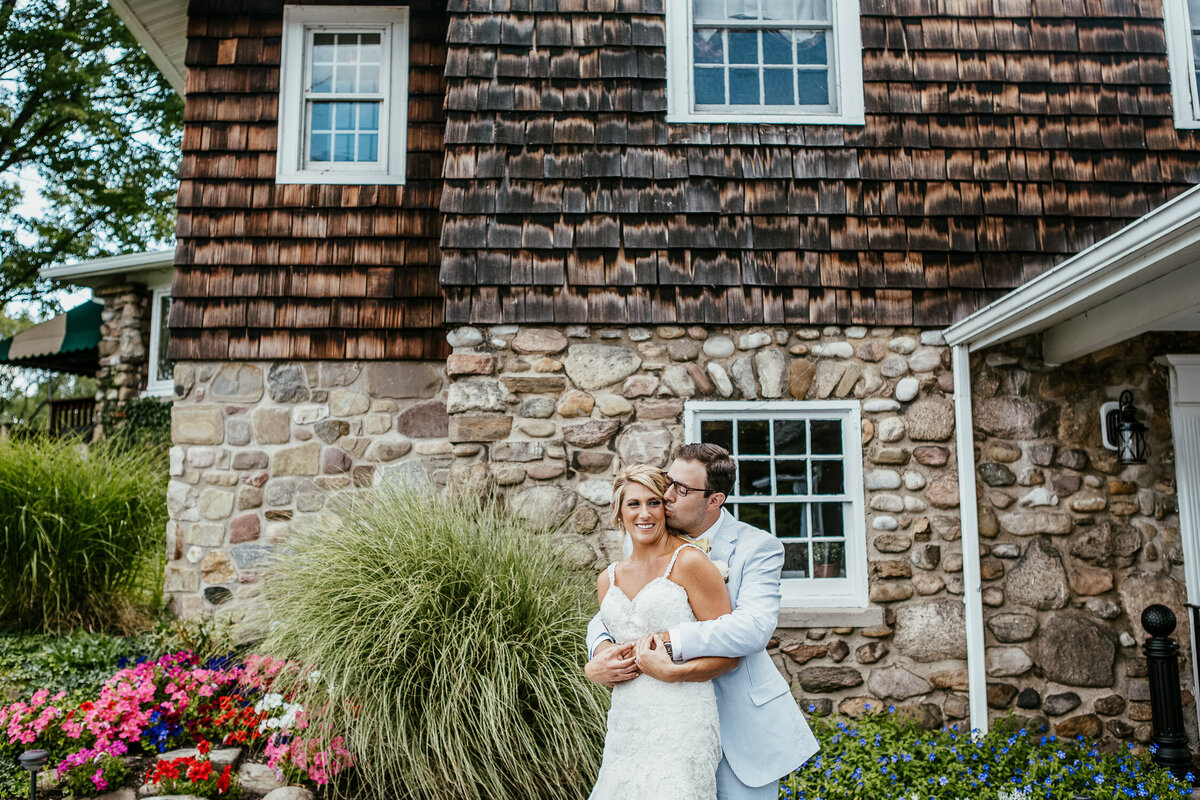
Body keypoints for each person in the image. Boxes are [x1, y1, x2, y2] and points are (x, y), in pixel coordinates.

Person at [585, 443, 820, 800]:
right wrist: (599, 655)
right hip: (658, 722)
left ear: (714, 500)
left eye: (681, 489)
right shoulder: (646, 543)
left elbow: (752, 629)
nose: (665, 495)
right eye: (668, 482)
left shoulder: (757, 548)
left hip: (737, 720)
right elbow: (620, 610)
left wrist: (666, 644)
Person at [587, 464, 738, 800]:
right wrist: (597, 665)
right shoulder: (607, 579)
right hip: (627, 719)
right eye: (634, 504)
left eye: (654, 503)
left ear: (665, 509)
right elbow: (609, 642)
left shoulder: (689, 562)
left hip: (682, 716)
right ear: (618, 511)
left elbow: (730, 653)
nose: (645, 514)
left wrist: (674, 673)